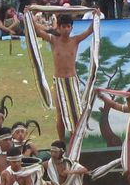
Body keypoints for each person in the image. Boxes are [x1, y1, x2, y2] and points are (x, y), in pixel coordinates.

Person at [34, 12, 98, 140]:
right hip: (59, 81)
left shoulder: (76, 40)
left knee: (77, 111)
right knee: (60, 113)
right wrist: (29, 15)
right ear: (58, 28)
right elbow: (37, 31)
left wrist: (96, 15)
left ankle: (77, 139)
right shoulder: (53, 40)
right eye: (63, 26)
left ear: (71, 28)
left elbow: (91, 29)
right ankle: (61, 142)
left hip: (72, 80)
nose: (66, 29)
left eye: (68, 26)